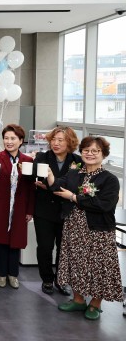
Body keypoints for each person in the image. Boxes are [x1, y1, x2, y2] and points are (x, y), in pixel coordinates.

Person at [48, 136, 122, 320]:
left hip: (98, 232)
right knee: (75, 263)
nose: (90, 154)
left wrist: (74, 197)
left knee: (99, 267)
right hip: (74, 228)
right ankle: (78, 300)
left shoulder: (110, 179)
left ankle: (95, 304)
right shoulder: (75, 173)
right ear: (81, 153)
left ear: (104, 154)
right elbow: (57, 186)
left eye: (95, 151)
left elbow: (104, 205)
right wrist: (48, 174)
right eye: (86, 150)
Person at [0, 124, 35, 289]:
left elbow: (31, 187)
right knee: (0, 241)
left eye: (13, 138)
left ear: (21, 140)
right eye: (6, 138)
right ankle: (1, 274)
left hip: (19, 206)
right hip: (0, 205)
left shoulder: (27, 160)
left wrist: (29, 210)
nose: (9, 141)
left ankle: (13, 274)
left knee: (16, 240)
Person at [33, 126, 82, 295]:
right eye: (53, 139)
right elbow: (34, 178)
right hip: (44, 210)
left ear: (70, 142)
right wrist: (51, 185)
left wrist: (49, 186)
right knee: (45, 247)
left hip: (67, 211)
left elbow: (75, 186)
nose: (55, 143)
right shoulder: (42, 157)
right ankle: (47, 279)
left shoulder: (77, 161)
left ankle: (61, 280)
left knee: (64, 249)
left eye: (60, 140)